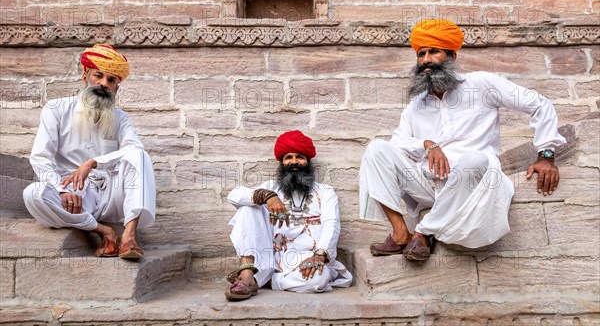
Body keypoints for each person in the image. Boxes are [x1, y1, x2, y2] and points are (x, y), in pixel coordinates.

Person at [359, 19, 566, 261]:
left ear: (452, 57)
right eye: (421, 53)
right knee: (376, 149)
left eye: (433, 51)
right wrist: (426, 145)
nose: (425, 60)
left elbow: (539, 103)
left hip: (473, 183)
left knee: (474, 159)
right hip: (428, 186)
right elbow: (397, 144)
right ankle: (400, 232)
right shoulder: (416, 104)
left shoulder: (481, 84)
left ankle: (424, 233)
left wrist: (546, 154)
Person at [23, 44, 156, 260]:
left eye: (111, 80)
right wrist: (60, 189)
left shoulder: (121, 118)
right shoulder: (56, 109)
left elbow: (134, 149)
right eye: (99, 76)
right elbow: (41, 157)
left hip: (111, 193)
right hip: (74, 195)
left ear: (116, 87)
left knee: (138, 155)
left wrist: (92, 163)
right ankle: (104, 231)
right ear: (86, 75)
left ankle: (129, 235)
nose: (104, 83)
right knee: (33, 194)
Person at [225, 130, 352, 301]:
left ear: (308, 162)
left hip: (308, 258)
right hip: (271, 259)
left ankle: (262, 282)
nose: (294, 162)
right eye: (288, 158)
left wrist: (320, 255)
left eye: (300, 157)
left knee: (318, 280)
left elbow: (332, 224)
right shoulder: (271, 186)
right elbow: (234, 195)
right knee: (248, 207)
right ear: (282, 163)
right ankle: (247, 274)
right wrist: (267, 196)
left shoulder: (325, 191)